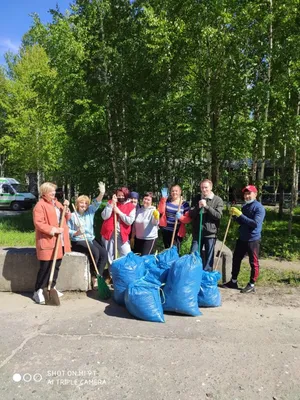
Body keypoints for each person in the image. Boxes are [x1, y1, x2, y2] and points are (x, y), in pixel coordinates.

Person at [32, 182, 71, 304]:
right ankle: (38, 291)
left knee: (57, 265)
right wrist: (53, 230)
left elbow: (66, 218)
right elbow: (39, 223)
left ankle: (52, 287)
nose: (53, 193)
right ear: (44, 193)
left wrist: (67, 209)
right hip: (48, 241)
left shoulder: (57, 203)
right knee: (45, 267)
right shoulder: (40, 206)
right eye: (51, 192)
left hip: (60, 241)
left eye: (54, 191)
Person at [223, 185, 266, 293]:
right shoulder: (245, 207)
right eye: (245, 194)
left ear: (255, 194)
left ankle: (251, 284)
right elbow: (243, 222)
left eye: (249, 193)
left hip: (253, 239)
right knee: (236, 259)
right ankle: (233, 281)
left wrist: (240, 215)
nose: (246, 196)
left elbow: (254, 224)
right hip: (242, 238)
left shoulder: (259, 208)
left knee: (253, 262)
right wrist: (235, 217)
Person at [68, 182, 108, 290]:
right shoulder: (72, 216)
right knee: (95, 252)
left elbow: (96, 203)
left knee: (104, 253)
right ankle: (91, 275)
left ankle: (96, 277)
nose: (84, 206)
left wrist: (102, 193)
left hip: (90, 238)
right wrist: (77, 233)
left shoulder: (90, 211)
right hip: (78, 240)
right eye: (82, 203)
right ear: (77, 204)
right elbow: (67, 230)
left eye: (86, 203)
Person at [180, 179, 223, 271]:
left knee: (209, 257)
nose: (204, 190)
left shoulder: (217, 200)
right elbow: (191, 214)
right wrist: (198, 207)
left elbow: (218, 216)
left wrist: (206, 207)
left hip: (210, 233)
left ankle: (206, 277)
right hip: (197, 232)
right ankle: (192, 273)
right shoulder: (197, 198)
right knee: (193, 253)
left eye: (206, 187)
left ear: (211, 187)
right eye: (202, 188)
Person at [101, 186, 136, 265]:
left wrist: (119, 212)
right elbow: (104, 216)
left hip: (122, 234)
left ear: (126, 196)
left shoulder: (131, 206)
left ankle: (127, 272)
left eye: (122, 195)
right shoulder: (111, 202)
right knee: (109, 256)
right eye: (119, 195)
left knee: (126, 254)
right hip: (109, 233)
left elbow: (129, 221)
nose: (120, 197)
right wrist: (111, 205)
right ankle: (112, 274)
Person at [158, 184, 189, 251]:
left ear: (180, 191)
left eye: (176, 191)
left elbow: (188, 219)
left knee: (175, 250)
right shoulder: (167, 201)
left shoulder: (184, 204)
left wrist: (181, 217)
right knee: (167, 250)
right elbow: (160, 211)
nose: (174, 192)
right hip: (166, 230)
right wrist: (163, 199)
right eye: (172, 191)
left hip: (177, 231)